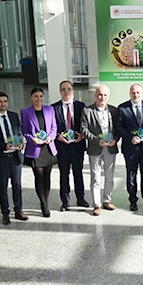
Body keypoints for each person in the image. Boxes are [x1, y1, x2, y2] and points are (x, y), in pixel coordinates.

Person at [0, 91, 28, 224]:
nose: (3, 104)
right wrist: (3, 145)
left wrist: (21, 143)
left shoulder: (14, 116)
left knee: (17, 185)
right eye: (0, 102)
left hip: (15, 156)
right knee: (3, 187)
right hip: (2, 157)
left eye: (5, 101)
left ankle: (18, 210)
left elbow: (19, 132)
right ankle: (5, 213)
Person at [114, 84, 143, 211]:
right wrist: (129, 138)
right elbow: (119, 127)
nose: (135, 95)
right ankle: (133, 200)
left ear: (142, 93)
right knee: (131, 175)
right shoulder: (122, 108)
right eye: (133, 92)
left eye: (138, 92)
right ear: (129, 94)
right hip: (130, 148)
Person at [80, 85, 120, 214]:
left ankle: (107, 200)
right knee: (95, 177)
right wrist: (97, 141)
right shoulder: (87, 110)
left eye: (105, 95)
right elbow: (84, 130)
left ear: (108, 96)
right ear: (95, 95)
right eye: (100, 94)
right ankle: (97, 204)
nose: (102, 97)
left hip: (110, 147)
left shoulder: (114, 110)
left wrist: (116, 139)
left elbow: (119, 128)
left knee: (110, 176)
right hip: (95, 148)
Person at [52, 81, 90, 211]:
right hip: (62, 146)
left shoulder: (81, 106)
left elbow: (85, 124)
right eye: (63, 89)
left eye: (69, 89)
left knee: (78, 173)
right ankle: (65, 201)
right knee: (64, 174)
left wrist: (82, 135)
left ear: (73, 91)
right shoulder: (54, 108)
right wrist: (58, 136)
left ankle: (81, 198)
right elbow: (52, 126)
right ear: (60, 92)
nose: (66, 91)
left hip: (78, 145)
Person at [21, 87, 58, 217]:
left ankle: (45, 201)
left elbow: (54, 127)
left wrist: (50, 137)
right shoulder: (25, 112)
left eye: (41, 96)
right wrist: (32, 139)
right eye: (36, 96)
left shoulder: (50, 110)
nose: (39, 99)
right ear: (31, 97)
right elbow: (25, 131)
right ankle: (43, 204)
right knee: (39, 176)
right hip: (35, 148)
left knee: (47, 176)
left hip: (48, 148)